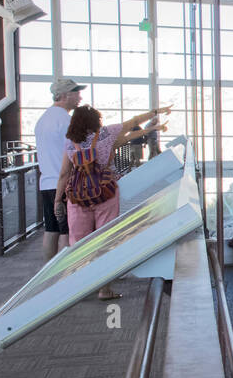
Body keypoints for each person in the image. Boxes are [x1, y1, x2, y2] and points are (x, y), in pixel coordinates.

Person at [54, 103, 171, 300]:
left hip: (77, 196)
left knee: (78, 244)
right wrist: (156, 113)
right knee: (107, 241)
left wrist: (58, 200)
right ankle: (104, 288)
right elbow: (133, 124)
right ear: (96, 121)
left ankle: (75, 289)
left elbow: (65, 172)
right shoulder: (106, 134)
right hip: (105, 193)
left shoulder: (70, 142)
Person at [35, 77, 84, 263]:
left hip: (47, 182)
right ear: (64, 95)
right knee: (66, 231)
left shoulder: (43, 119)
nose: (79, 97)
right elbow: (74, 153)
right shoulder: (65, 120)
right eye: (76, 92)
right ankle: (64, 275)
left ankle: (48, 275)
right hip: (64, 183)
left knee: (51, 230)